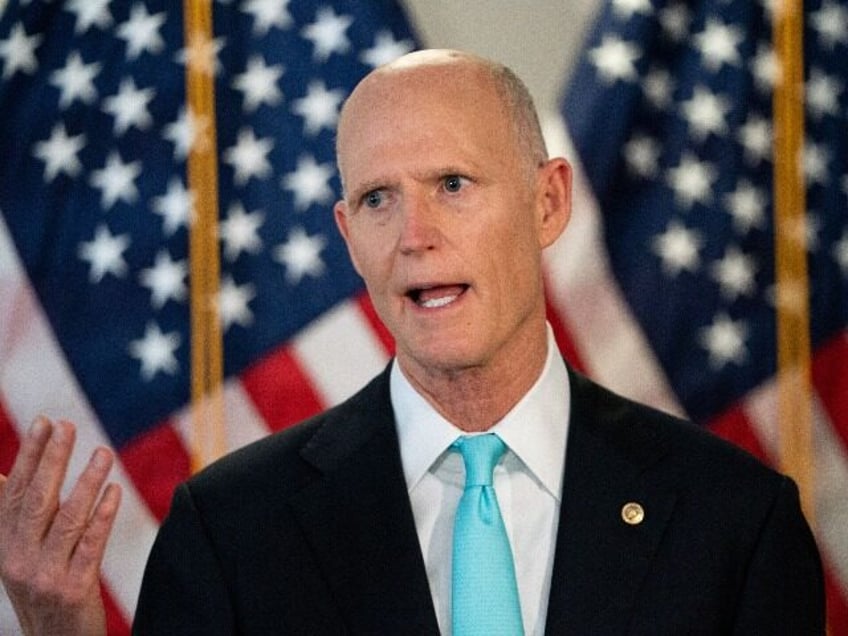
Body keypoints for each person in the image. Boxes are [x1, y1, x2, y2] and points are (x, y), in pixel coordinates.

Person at [0, 49, 825, 635]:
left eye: (452, 186)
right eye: (377, 200)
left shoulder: (734, 522)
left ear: (548, 203)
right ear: (347, 236)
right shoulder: (229, 531)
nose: (414, 235)